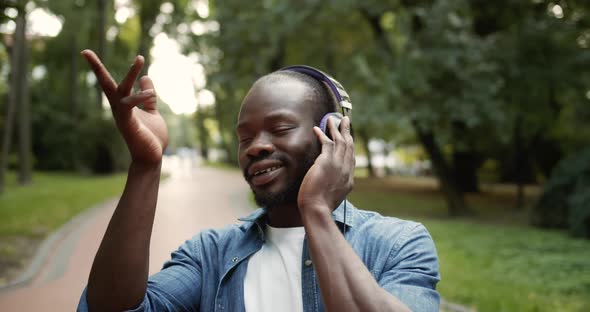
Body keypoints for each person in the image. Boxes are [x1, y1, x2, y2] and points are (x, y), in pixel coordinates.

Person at [77, 50, 440, 312]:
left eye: (280, 129)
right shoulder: (210, 255)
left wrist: (316, 210)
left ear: (333, 133)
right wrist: (145, 166)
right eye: (244, 138)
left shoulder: (398, 244)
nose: (256, 148)